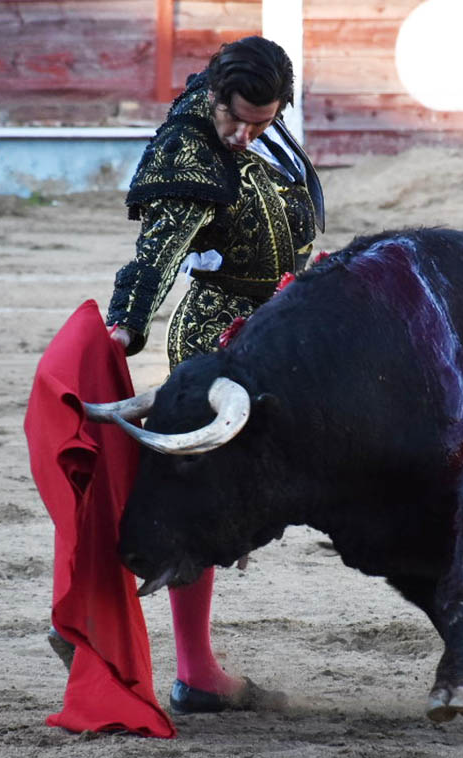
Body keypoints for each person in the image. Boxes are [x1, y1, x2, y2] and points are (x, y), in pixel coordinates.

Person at [49, 35, 325, 716]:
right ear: (213, 97)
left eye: (260, 122)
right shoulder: (189, 146)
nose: (243, 134)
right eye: (235, 119)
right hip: (220, 339)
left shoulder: (264, 124)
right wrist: (124, 326)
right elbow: (158, 253)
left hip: (282, 328)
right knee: (200, 492)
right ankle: (158, 651)